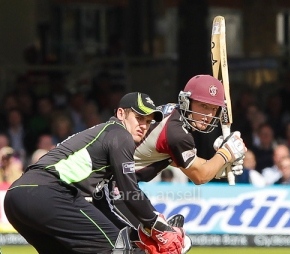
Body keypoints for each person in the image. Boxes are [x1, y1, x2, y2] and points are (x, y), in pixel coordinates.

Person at [4, 92, 188, 253]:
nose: (144, 126)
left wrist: (142, 230)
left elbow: (113, 195)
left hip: (16, 198)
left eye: (148, 122)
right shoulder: (119, 134)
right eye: (139, 118)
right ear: (121, 113)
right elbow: (129, 192)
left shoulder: (103, 134)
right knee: (118, 248)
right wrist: (159, 226)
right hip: (49, 193)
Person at [134, 75, 247, 184]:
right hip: (120, 180)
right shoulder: (177, 134)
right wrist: (226, 152)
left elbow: (190, 165)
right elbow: (200, 177)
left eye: (214, 108)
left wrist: (219, 167)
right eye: (203, 106)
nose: (208, 115)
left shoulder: (174, 114)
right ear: (186, 102)